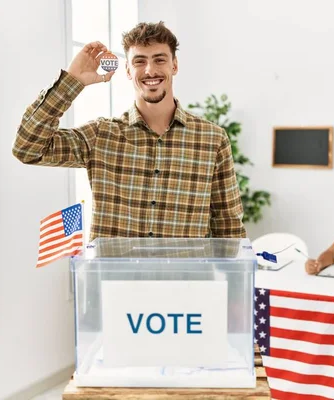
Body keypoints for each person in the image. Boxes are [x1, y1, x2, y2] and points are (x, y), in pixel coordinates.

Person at [12, 21, 246, 240]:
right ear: (127, 70)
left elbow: (229, 227)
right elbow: (28, 148)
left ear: (174, 65)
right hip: (111, 282)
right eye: (139, 61)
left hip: (184, 281)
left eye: (160, 59)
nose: (150, 70)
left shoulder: (212, 139)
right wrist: (72, 81)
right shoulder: (101, 135)